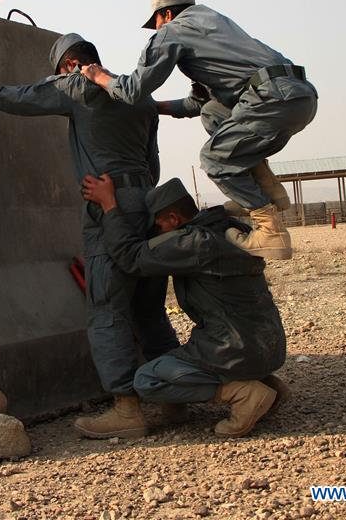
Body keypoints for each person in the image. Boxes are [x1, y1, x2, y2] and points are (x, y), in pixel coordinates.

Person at [0, 33, 180, 439]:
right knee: (150, 309)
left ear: (68, 65)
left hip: (107, 201)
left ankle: (126, 408)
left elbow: (31, 96)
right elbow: (152, 160)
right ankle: (174, 396)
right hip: (148, 202)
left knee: (107, 308)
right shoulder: (138, 96)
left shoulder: (78, 84)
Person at [81, 0, 318, 260]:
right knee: (213, 113)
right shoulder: (215, 25)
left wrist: (99, 77)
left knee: (214, 158)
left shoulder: (173, 30)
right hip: (298, 96)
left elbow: (133, 89)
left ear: (166, 14)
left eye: (155, 24)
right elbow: (199, 103)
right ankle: (267, 189)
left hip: (271, 99)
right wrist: (155, 108)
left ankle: (270, 230)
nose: (155, 31)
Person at [81, 173, 290, 438]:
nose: (159, 233)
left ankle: (243, 394)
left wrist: (109, 205)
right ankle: (267, 384)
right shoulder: (226, 228)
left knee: (148, 380)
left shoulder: (193, 243)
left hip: (232, 347)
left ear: (173, 219)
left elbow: (130, 256)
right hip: (268, 345)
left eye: (160, 227)